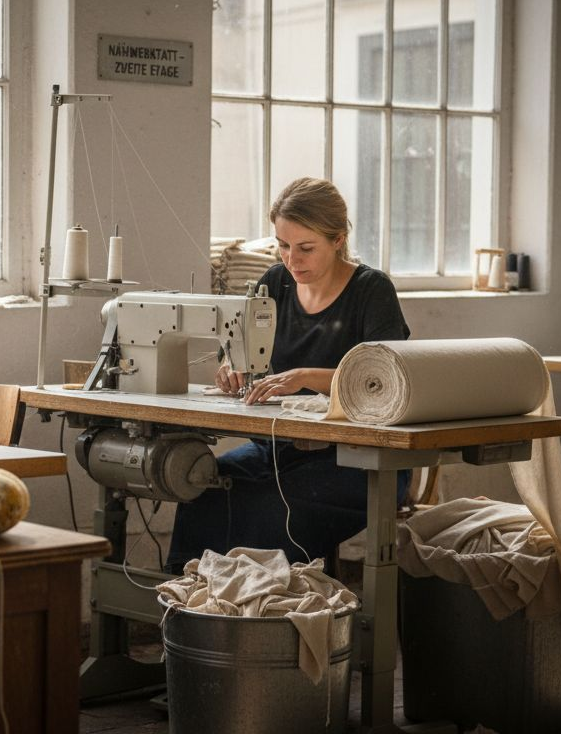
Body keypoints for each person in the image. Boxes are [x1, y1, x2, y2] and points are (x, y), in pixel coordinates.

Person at [166, 177, 410, 571]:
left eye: (305, 248)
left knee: (269, 508)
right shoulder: (275, 283)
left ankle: (258, 610)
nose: (291, 260)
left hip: (357, 460)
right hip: (282, 449)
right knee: (205, 483)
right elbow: (239, 347)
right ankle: (191, 600)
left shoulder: (371, 290)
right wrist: (233, 368)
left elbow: (387, 380)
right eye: (282, 245)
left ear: (338, 239)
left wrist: (305, 376)